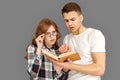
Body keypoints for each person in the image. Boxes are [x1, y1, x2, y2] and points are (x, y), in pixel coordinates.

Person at [51, 2, 106, 80]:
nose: (70, 23)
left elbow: (100, 69)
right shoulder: (67, 38)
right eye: (66, 21)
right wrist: (62, 57)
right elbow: (66, 69)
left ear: (81, 18)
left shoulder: (94, 34)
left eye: (73, 19)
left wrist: (71, 66)